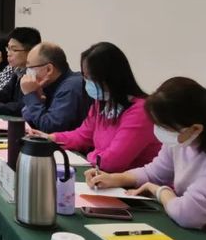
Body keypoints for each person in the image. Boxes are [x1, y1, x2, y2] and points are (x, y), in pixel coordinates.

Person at [86, 78, 206, 240]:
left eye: (165, 127)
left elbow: (188, 215)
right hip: (193, 235)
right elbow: (155, 172)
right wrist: (115, 179)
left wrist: (160, 191)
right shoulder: (182, 138)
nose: (159, 132)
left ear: (195, 128)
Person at [30, 42, 159, 171]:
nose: (87, 83)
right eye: (85, 77)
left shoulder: (140, 111)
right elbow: (82, 136)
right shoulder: (102, 104)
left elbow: (112, 162)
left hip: (133, 182)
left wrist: (90, 156)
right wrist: (50, 138)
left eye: (91, 78)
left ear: (110, 78)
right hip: (105, 176)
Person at [21, 42, 87, 133]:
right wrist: (36, 97)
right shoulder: (47, 85)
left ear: (49, 69)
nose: (27, 72)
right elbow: (28, 120)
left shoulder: (71, 87)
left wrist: (30, 95)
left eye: (30, 68)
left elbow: (50, 128)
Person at [0, 27, 41, 116]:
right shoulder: (18, 70)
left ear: (31, 51)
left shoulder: (36, 74)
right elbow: (4, 94)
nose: (8, 53)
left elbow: (22, 106)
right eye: (8, 49)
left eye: (14, 49)